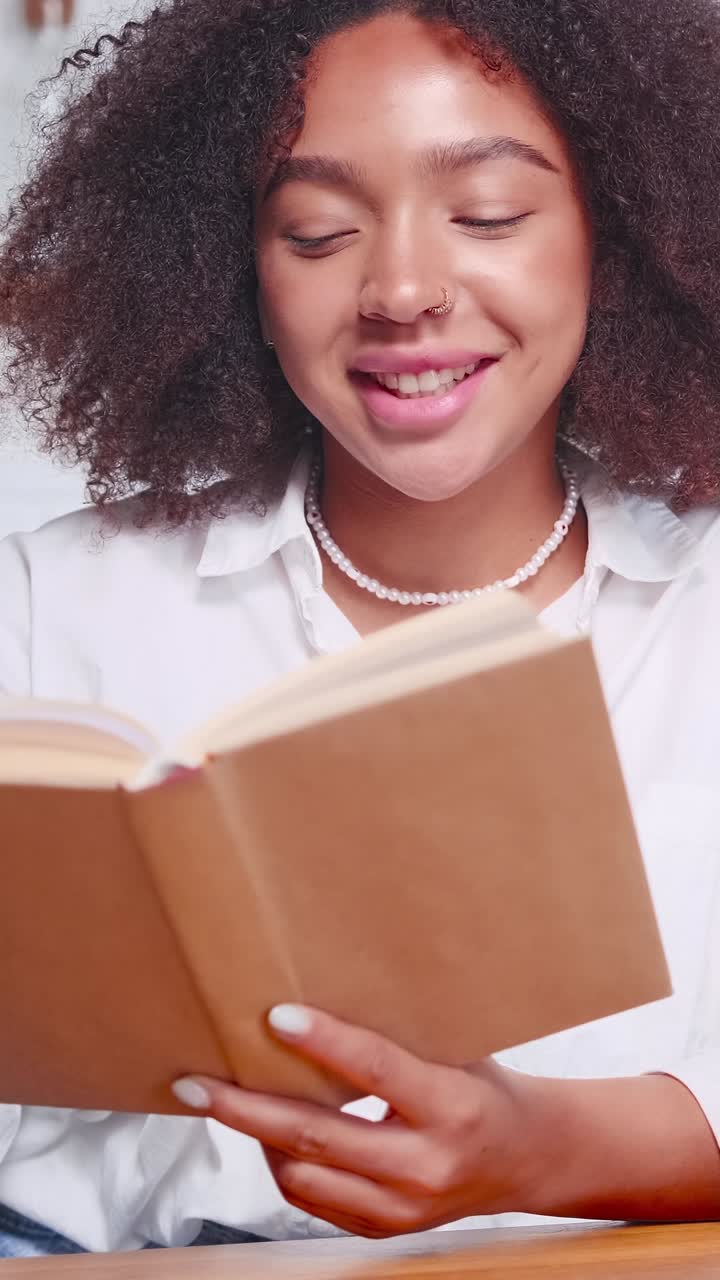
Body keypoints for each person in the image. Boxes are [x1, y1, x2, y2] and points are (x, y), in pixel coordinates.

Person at [1, 0, 720, 1258]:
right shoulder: (49, 604)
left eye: (488, 214)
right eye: (319, 231)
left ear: (621, 237)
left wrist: (537, 1148)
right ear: (238, 269)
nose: (401, 290)